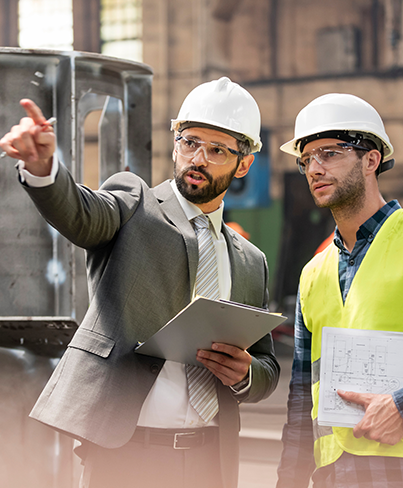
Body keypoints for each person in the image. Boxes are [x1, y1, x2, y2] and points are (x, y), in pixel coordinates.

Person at [0, 76, 280, 488]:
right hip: (126, 455)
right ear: (175, 142)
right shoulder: (134, 203)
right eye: (189, 141)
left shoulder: (251, 261)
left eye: (217, 149)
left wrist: (246, 374)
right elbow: (80, 212)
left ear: (244, 163)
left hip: (210, 459)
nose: (198, 158)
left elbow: (268, 365)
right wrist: (44, 170)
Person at [276, 93, 403, 488]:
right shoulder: (313, 273)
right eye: (307, 159)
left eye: (329, 153)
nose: (314, 168)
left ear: (371, 159)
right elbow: (300, 400)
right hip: (331, 472)